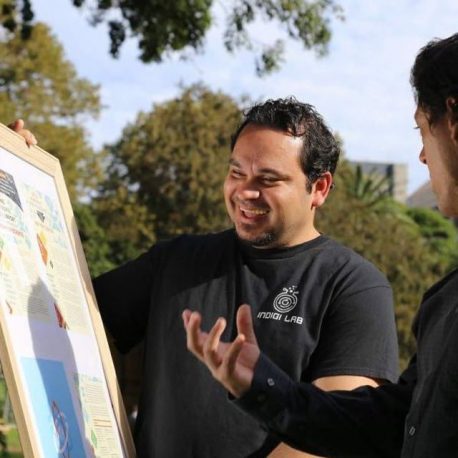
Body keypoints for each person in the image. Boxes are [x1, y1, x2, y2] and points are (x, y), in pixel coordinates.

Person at [11, 99, 399, 457]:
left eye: (268, 179)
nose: (245, 192)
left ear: (319, 188)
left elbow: (338, 433)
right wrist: (17, 176)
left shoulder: (354, 286)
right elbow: (55, 315)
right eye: (236, 172)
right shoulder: (174, 261)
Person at [183, 33, 458, 458]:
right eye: (237, 172)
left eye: (422, 129)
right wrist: (265, 388)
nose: (422, 155)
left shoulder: (356, 284)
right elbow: (391, 425)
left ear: (453, 123)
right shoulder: (445, 303)